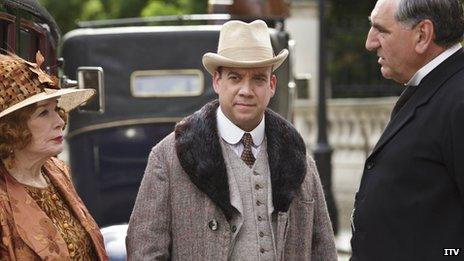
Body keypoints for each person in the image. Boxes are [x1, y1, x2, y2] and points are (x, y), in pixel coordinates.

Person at [126, 20, 337, 260]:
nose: (246, 90)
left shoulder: (299, 160)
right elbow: (144, 253)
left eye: (258, 79)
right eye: (235, 78)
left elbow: (324, 251)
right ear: (217, 81)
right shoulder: (168, 157)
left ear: (272, 85)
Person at [351, 0, 464, 260]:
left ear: (422, 35)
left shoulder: (458, 99)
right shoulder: (433, 88)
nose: (370, 42)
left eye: (381, 30)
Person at [0, 52, 108, 260]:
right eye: (43, 113)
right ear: (11, 128)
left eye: (56, 109)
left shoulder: (57, 171)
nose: (59, 121)